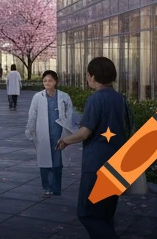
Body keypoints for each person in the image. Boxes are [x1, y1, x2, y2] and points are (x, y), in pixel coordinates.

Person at [57, 56, 131, 239]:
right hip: (119, 162)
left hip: (97, 164)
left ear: (93, 76)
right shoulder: (121, 99)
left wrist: (65, 140)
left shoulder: (95, 99)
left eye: (87, 75)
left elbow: (84, 132)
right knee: (105, 214)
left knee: (88, 214)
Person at [26, 70, 73, 198]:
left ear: (55, 82)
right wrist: (30, 129)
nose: (47, 83)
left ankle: (56, 188)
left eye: (50, 80)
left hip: (59, 134)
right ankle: (46, 187)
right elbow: (32, 114)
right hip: (42, 134)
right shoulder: (38, 97)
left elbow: (69, 114)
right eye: (45, 81)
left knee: (57, 162)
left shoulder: (64, 97)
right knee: (44, 161)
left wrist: (68, 132)